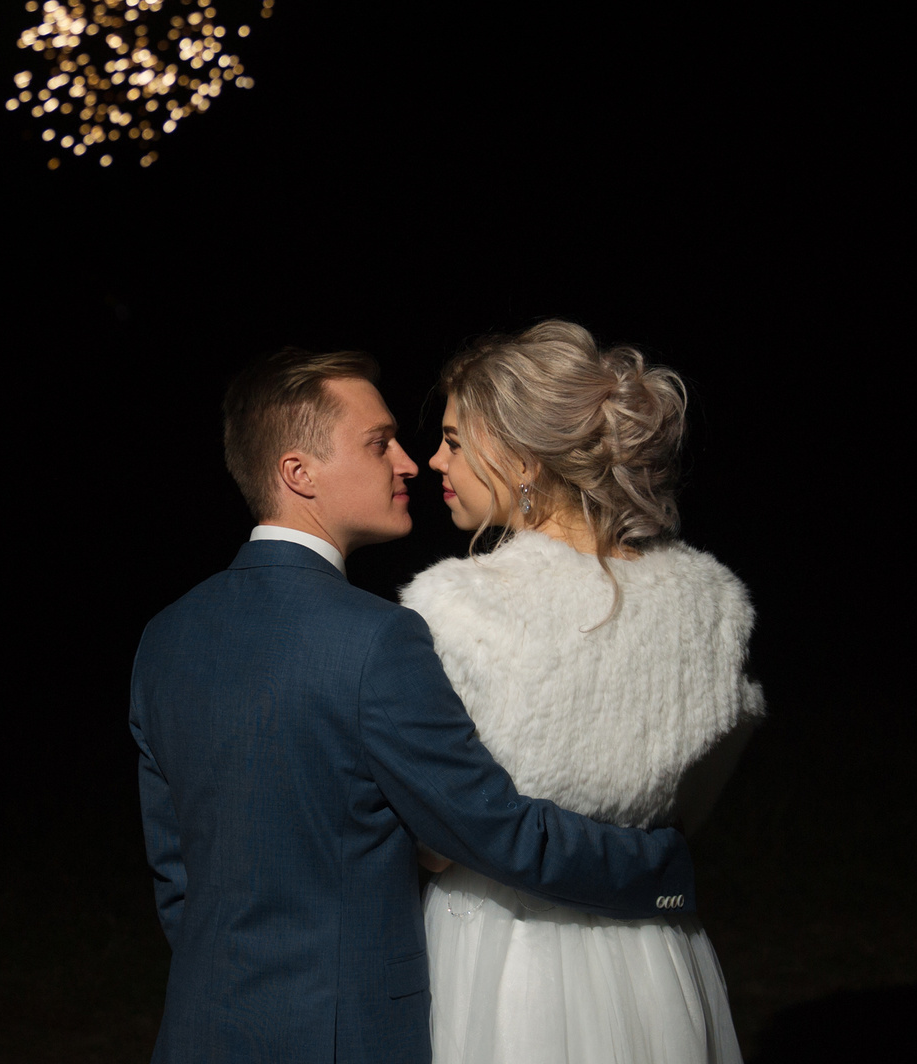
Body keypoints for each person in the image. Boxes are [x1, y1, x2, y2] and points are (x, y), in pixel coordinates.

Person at [130, 349, 701, 1064]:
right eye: (379, 443)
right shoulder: (377, 640)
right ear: (298, 473)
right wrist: (663, 869)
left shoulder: (164, 638)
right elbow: (494, 832)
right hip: (351, 1037)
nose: (406, 462)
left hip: (199, 1030)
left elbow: (176, 874)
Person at [407, 321, 762, 1063]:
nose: (434, 460)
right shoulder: (711, 603)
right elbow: (691, 807)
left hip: (501, 955)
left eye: (454, 440)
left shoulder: (460, 607)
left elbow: (432, 840)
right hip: (654, 954)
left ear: (520, 458)